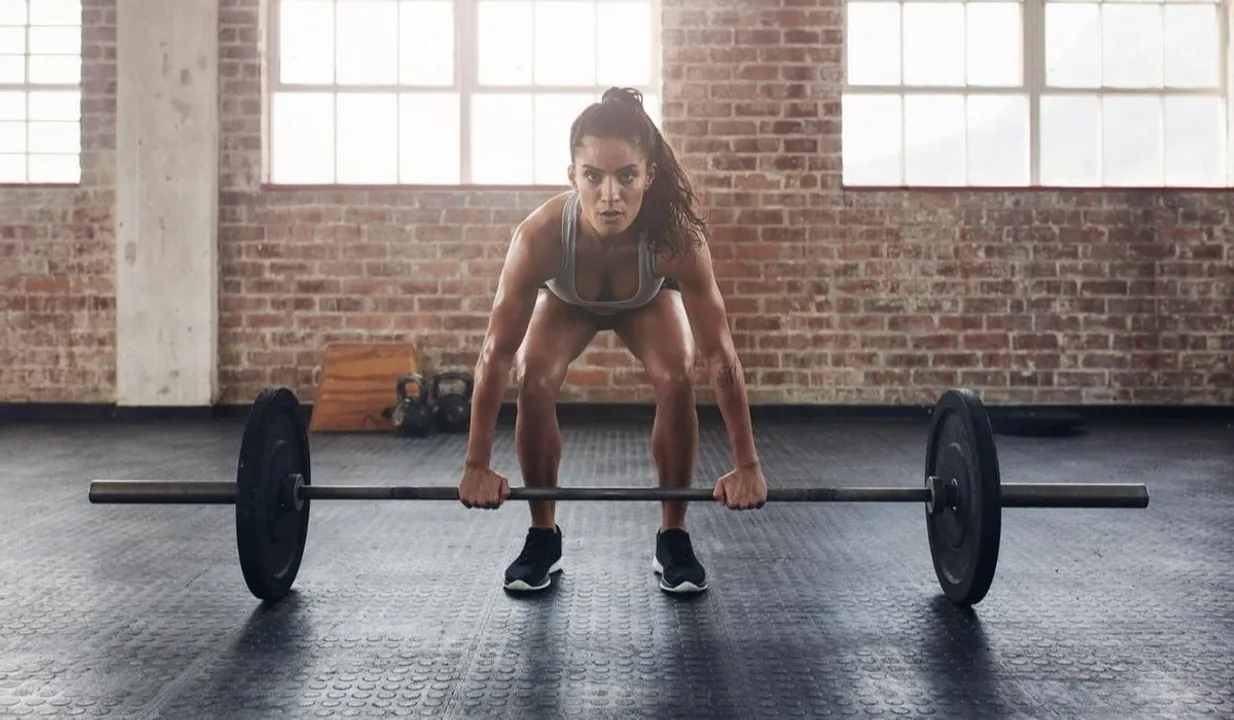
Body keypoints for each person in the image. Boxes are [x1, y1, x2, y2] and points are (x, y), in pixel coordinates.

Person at [457, 87, 767, 595]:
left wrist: (748, 465)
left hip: (645, 301)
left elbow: (720, 354)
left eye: (626, 176)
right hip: (567, 303)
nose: (610, 195)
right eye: (593, 177)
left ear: (649, 175)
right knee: (533, 377)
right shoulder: (538, 238)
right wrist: (475, 464)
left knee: (676, 376)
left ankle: (674, 536)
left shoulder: (677, 240)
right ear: (572, 176)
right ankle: (542, 536)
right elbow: (496, 353)